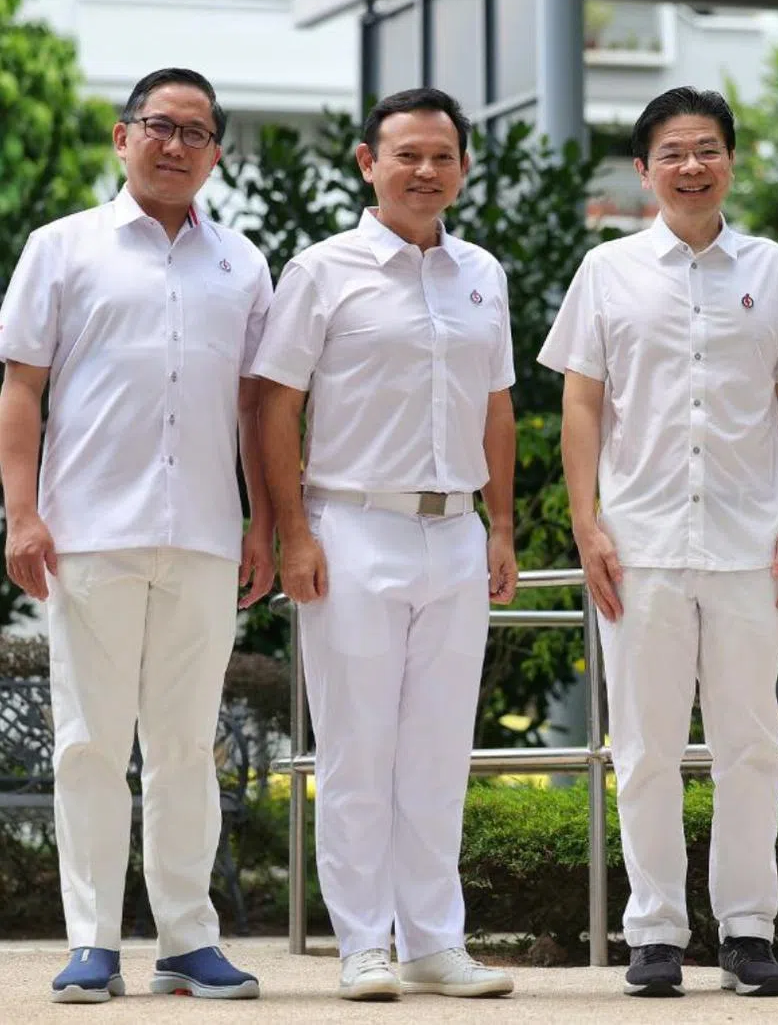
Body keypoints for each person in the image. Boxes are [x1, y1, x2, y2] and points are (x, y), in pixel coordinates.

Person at [538, 87, 778, 998]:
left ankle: (748, 931)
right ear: (644, 170)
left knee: (752, 744)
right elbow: (581, 402)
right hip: (642, 543)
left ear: (731, 161)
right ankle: (655, 931)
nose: (691, 166)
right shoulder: (609, 270)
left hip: (750, 542)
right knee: (645, 746)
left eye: (707, 148)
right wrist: (586, 522)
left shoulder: (773, 269)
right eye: (672, 152)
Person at [0, 68, 274, 1002]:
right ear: (123, 137)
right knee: (88, 742)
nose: (174, 144)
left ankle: (188, 941)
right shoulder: (61, 248)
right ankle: (91, 943)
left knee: (187, 745)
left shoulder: (243, 264)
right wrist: (22, 512)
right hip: (88, 533)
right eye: (158, 126)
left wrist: (265, 521)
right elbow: (22, 387)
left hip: (202, 533)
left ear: (216, 155)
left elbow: (253, 409)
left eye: (195, 133)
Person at [254, 87, 517, 1001]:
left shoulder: (483, 271)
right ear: (369, 162)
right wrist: (291, 533)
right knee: (357, 748)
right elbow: (274, 405)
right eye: (407, 154)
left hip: (455, 532)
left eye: (443, 156)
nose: (426, 171)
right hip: (350, 525)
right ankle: (363, 942)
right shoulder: (321, 270)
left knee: (441, 753)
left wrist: (505, 528)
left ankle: (435, 942)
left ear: (464, 168)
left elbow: (496, 407)